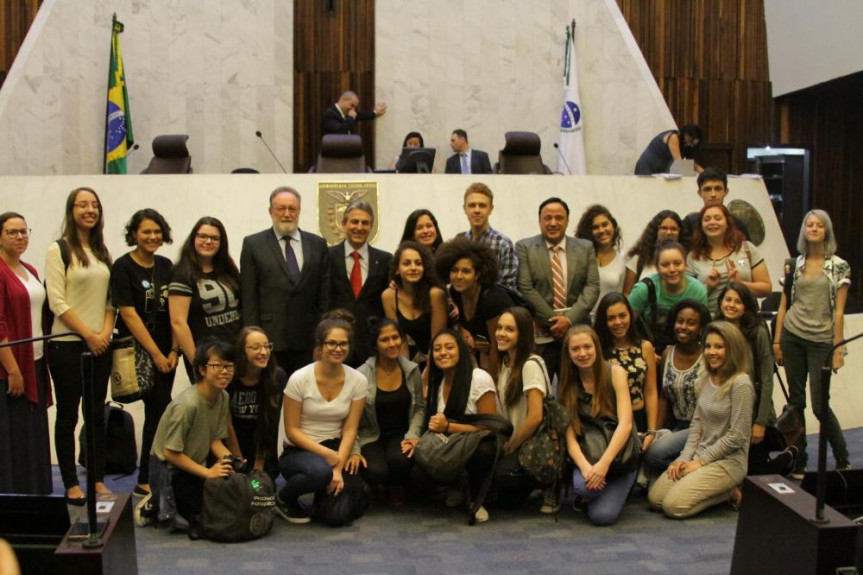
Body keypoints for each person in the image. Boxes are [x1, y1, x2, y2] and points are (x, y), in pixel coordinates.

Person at [45, 187, 114, 505]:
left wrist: (104, 335)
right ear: (71, 210)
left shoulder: (102, 252)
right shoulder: (57, 250)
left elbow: (112, 302)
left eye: (95, 204)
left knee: (96, 416)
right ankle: (71, 482)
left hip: (101, 346)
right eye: (82, 204)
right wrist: (88, 333)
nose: (90, 209)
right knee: (68, 416)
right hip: (67, 345)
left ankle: (97, 479)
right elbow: (57, 302)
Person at [648, 321, 755, 519]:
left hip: (727, 462)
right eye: (708, 346)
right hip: (699, 456)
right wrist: (683, 459)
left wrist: (700, 462)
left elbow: (737, 436)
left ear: (732, 349)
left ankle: (727, 491)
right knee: (656, 499)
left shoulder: (741, 383)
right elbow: (697, 425)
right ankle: (706, 485)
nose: (711, 352)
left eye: (719, 347)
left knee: (673, 507)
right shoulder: (706, 376)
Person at [774, 209, 851, 478]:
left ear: (827, 231)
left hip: (821, 341)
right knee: (796, 402)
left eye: (819, 225)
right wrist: (777, 341)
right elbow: (785, 304)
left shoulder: (838, 265)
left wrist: (838, 348)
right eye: (810, 224)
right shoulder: (793, 264)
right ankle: (799, 457)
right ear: (804, 230)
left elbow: (839, 311)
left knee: (820, 404)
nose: (814, 228)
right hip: (792, 337)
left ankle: (842, 457)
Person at [111, 209, 178, 498]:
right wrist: (156, 354)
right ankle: (146, 478)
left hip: (168, 348)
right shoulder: (122, 267)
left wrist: (174, 350)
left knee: (159, 412)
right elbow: (128, 314)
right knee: (153, 410)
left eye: (156, 232)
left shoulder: (166, 265)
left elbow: (177, 310)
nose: (152, 237)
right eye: (146, 232)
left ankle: (149, 476)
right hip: (138, 347)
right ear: (134, 234)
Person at [137, 338, 239, 529]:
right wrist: (209, 473)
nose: (225, 372)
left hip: (194, 463)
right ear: (202, 370)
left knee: (225, 500)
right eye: (217, 366)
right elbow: (169, 453)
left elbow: (215, 440)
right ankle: (153, 505)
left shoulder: (222, 396)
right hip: (168, 468)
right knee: (194, 520)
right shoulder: (187, 405)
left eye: (229, 366)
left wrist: (233, 462)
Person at [276, 317, 366, 524]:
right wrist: (328, 457)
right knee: (319, 472)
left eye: (343, 343)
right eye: (331, 343)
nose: (338, 348)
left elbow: (351, 429)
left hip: (336, 449)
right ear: (320, 346)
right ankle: (283, 498)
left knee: (337, 517)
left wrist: (337, 468)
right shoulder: (299, 378)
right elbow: (292, 431)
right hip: (299, 450)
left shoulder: (358, 380)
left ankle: (323, 499)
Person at [240, 186, 330, 381]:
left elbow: (324, 296)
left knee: (306, 394)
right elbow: (249, 297)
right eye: (281, 208)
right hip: (269, 339)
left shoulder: (318, 244)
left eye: (292, 208)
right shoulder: (253, 244)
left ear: (299, 211)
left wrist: (321, 338)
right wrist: (252, 341)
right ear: (271, 211)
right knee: (272, 394)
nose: (287, 214)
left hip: (307, 339)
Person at [413, 328, 498, 523]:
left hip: (480, 440)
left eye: (449, 347)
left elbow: (490, 427)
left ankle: (476, 499)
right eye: (437, 349)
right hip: (449, 443)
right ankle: (456, 486)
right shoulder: (438, 381)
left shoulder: (479, 377)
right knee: (416, 474)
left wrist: (449, 427)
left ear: (461, 349)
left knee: (483, 451)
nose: (443, 353)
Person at [515, 197, 600, 382]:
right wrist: (555, 323)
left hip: (577, 334)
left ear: (567, 220)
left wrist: (568, 320)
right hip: (540, 336)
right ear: (539, 220)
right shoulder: (524, 247)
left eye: (559, 218)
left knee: (579, 388)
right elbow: (525, 287)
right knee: (540, 390)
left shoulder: (585, 247)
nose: (553, 223)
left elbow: (592, 287)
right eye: (547, 218)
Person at [560, 325, 636, 526]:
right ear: (568, 354)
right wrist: (586, 468)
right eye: (575, 349)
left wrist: (604, 465)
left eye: (587, 347)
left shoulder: (616, 373)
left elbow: (626, 424)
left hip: (618, 454)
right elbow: (570, 437)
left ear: (597, 347)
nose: (582, 353)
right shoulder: (567, 384)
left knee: (602, 517)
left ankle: (621, 482)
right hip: (590, 452)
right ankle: (594, 490)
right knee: (584, 488)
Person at [0, 212, 51, 494]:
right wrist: (12, 370)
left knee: (33, 435)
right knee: (13, 439)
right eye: (12, 232)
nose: (20, 237)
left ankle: (36, 491)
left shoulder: (29, 269)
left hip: (35, 362)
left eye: (24, 231)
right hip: (11, 368)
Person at [716, 282, 791, 476]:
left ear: (747, 306)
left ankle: (787, 459)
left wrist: (761, 422)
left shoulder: (757, 331)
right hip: (725, 411)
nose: (731, 305)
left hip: (753, 411)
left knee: (754, 475)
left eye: (738, 302)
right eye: (728, 299)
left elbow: (767, 379)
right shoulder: (715, 328)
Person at [349, 318, 424, 505]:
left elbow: (419, 408)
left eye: (395, 337)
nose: (392, 344)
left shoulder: (411, 370)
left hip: (400, 434)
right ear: (375, 344)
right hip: (370, 436)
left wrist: (414, 435)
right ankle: (375, 484)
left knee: (402, 461)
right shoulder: (360, 375)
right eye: (385, 340)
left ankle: (395, 485)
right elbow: (352, 420)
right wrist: (354, 451)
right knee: (376, 471)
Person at [492, 306, 553, 512]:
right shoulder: (506, 361)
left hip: (531, 444)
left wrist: (512, 445)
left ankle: (545, 482)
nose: (501, 333)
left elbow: (535, 417)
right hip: (515, 441)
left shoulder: (530, 365)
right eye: (499, 327)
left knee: (502, 478)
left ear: (523, 333)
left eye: (509, 329)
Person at [169, 216, 242, 381]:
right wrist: (198, 363)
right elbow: (178, 323)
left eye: (215, 238)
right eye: (203, 236)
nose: (208, 241)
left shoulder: (228, 269)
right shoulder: (182, 274)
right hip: (207, 358)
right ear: (193, 238)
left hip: (235, 352)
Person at [644, 299, 711, 471]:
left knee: (654, 454)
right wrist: (655, 432)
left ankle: (697, 468)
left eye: (690, 323)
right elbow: (663, 397)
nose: (683, 327)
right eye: (680, 321)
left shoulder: (708, 356)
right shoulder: (668, 353)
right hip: (678, 427)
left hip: (704, 428)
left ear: (701, 329)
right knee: (648, 450)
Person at [327, 200, 393, 367]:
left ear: (371, 227)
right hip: (337, 343)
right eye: (354, 221)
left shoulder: (385, 260)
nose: (359, 227)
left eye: (365, 223)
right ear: (343, 224)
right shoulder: (327, 256)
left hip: (372, 344)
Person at [434, 238, 511, 380]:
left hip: (509, 358)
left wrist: (492, 384)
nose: (459, 276)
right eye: (454, 270)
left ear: (477, 274)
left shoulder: (492, 299)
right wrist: (476, 338)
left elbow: (496, 347)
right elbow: (474, 329)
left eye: (466, 271)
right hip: (486, 358)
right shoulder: (456, 293)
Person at [594, 293, 658, 451]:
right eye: (611, 318)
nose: (618, 322)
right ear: (604, 321)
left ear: (631, 315)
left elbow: (650, 392)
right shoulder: (597, 350)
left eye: (622, 316)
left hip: (640, 419)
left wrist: (652, 430)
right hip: (610, 423)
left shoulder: (645, 347)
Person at [686, 204, 771, 316]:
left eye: (718, 218)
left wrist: (740, 284)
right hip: (710, 321)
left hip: (745, 320)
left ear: (727, 223)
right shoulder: (693, 256)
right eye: (706, 219)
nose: (712, 222)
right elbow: (687, 300)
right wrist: (708, 287)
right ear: (701, 226)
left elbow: (766, 288)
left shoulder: (746, 248)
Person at [226, 327, 287, 481]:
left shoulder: (277, 377)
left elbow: (269, 423)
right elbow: (226, 424)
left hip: (264, 449)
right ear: (242, 351)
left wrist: (258, 466)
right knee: (236, 486)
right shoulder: (229, 378)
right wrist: (239, 462)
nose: (263, 352)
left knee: (259, 487)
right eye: (255, 347)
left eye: (267, 346)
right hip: (232, 446)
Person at [628, 241, 708, 352]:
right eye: (665, 265)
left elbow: (701, 330)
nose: (672, 269)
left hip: (685, 349)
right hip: (647, 347)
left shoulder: (698, 291)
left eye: (677, 263)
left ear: (685, 264)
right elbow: (627, 325)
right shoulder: (643, 289)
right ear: (657, 267)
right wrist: (643, 351)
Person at [381, 241, 447, 368]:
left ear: (425, 268)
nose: (413, 268)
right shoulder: (389, 296)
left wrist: (426, 378)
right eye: (406, 263)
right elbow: (400, 341)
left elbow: (437, 341)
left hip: (438, 361)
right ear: (397, 270)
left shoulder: (435, 294)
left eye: (418, 263)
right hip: (408, 362)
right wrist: (407, 375)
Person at [457, 182, 518, 290]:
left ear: (491, 209)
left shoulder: (503, 243)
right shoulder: (460, 242)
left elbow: (507, 288)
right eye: (472, 205)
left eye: (482, 205)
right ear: (464, 209)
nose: (477, 210)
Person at [574, 204, 626, 317]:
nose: (601, 230)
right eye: (595, 227)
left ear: (613, 225)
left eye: (605, 224)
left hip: (609, 321)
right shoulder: (580, 257)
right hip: (581, 320)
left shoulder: (623, 259)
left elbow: (624, 295)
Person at [623, 210, 684, 294]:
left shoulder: (686, 258)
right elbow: (627, 294)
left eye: (673, 229)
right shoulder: (638, 260)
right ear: (655, 230)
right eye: (664, 228)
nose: (669, 232)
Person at [682, 167, 751, 242]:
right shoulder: (689, 223)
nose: (713, 194)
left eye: (718, 189)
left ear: (726, 191)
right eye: (707, 189)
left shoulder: (738, 225)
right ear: (700, 193)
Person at [634, 124, 702, 175]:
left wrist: (701, 170)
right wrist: (697, 171)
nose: (691, 145)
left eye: (694, 144)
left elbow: (687, 161)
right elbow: (679, 162)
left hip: (660, 168)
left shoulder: (685, 144)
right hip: (648, 166)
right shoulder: (673, 137)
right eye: (691, 141)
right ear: (685, 134)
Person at [321, 90, 387, 135]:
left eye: (355, 107)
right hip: (333, 153)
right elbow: (340, 131)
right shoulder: (330, 114)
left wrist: (375, 112)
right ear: (343, 100)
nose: (353, 109)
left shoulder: (347, 113)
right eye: (351, 105)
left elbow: (362, 115)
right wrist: (350, 118)